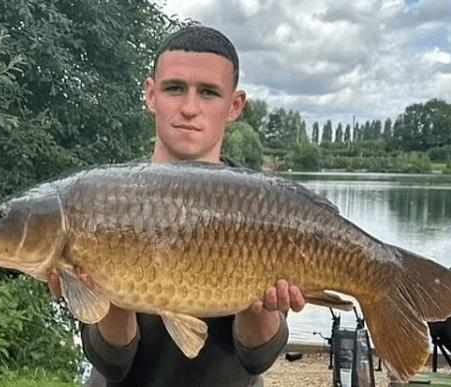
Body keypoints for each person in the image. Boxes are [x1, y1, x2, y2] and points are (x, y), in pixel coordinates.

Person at [48, 25, 305, 387]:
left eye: (209, 93)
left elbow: (257, 358)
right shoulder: (100, 201)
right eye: (174, 88)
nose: (189, 108)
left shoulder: (260, 204)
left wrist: (259, 304)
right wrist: (111, 288)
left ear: (234, 105)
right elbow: (113, 362)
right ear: (151, 94)